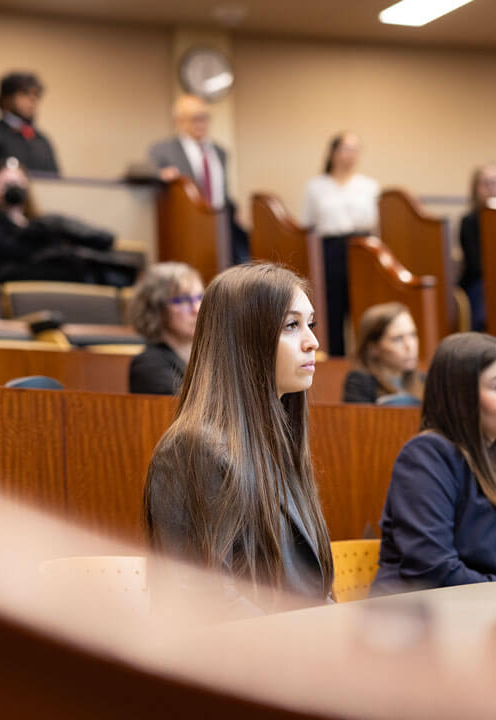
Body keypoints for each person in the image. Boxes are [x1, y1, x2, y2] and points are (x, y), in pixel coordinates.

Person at [143, 263, 332, 614]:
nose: (313, 342)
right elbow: (208, 601)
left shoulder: (279, 439)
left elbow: (314, 588)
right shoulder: (192, 449)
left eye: (311, 324)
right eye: (292, 325)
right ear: (245, 338)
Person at [371, 333, 496, 595]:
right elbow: (432, 570)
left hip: (492, 614)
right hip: (426, 623)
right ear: (463, 396)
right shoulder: (426, 456)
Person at [0, 157, 111, 283]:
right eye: (7, 185)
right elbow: (0, 248)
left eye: (17, 184)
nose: (13, 189)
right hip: (17, 277)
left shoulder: (40, 221)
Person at [302, 132, 379, 356]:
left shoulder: (369, 186)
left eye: (356, 149)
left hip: (362, 249)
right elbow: (307, 224)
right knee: (332, 312)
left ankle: (367, 360)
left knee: (363, 309)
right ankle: (335, 361)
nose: (351, 155)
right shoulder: (316, 186)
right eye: (346, 148)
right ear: (333, 152)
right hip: (330, 250)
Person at [148, 94, 248, 264]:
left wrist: (234, 210)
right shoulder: (163, 150)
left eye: (205, 118)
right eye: (196, 118)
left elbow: (221, 192)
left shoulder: (219, 152)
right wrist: (161, 175)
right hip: (186, 230)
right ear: (179, 121)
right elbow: (142, 174)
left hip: (220, 226)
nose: (202, 123)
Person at [127, 261, 202, 395]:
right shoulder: (149, 367)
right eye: (183, 300)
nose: (196, 309)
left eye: (200, 297)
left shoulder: (207, 357)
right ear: (156, 309)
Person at [0, 72, 58, 174]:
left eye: (36, 95)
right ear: (6, 99)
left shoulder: (42, 140)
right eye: (24, 94)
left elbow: (55, 183)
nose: (32, 100)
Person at [342, 302, 423, 405]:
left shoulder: (425, 381)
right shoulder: (360, 383)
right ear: (373, 347)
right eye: (398, 339)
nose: (410, 346)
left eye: (413, 335)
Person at [456, 164, 496, 329]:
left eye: (495, 182)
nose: (491, 188)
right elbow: (475, 265)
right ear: (475, 189)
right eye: (486, 183)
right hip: (478, 284)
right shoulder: (469, 222)